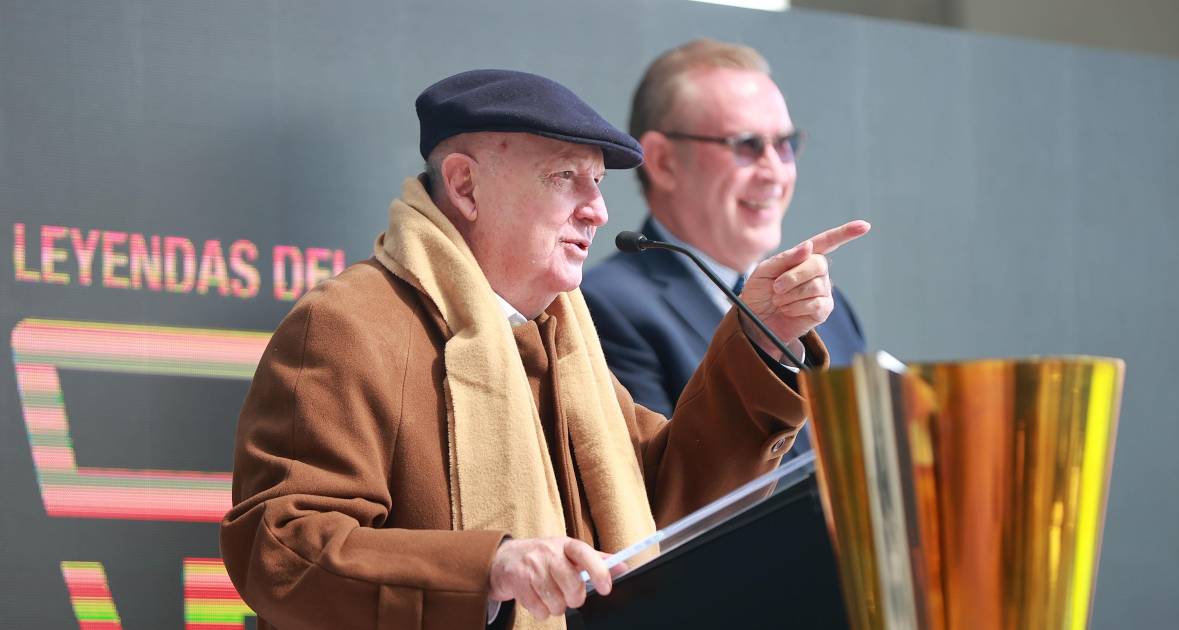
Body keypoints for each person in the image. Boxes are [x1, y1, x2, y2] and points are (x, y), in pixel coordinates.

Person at [219, 69, 867, 630]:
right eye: (566, 177)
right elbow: (280, 548)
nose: (597, 210)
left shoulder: (561, 336)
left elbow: (665, 501)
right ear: (465, 186)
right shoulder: (348, 325)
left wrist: (761, 336)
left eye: (598, 182)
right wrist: (489, 568)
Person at [583, 40, 869, 441]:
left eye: (785, 144)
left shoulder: (826, 308)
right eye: (747, 145)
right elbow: (663, 476)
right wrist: (761, 348)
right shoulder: (605, 308)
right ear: (663, 161)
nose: (775, 172)